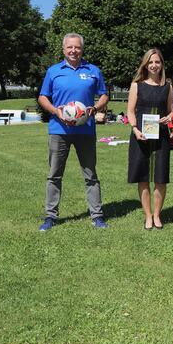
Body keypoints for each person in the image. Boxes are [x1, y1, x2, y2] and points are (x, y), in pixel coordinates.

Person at [37, 33, 109, 231]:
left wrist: (95, 108)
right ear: (63, 50)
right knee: (54, 175)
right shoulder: (53, 71)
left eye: (77, 47)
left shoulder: (93, 71)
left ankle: (97, 215)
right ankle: (50, 216)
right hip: (58, 130)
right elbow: (43, 97)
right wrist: (56, 111)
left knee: (90, 174)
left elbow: (104, 95)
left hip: (86, 130)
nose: (73, 50)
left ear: (82, 49)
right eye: (69, 47)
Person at [127, 48, 173, 230]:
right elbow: (130, 111)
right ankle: (148, 215)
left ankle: (157, 215)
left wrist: (169, 117)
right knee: (143, 177)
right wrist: (135, 129)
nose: (154, 65)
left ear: (162, 64)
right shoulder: (136, 85)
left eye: (157, 62)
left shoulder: (167, 86)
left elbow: (171, 111)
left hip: (161, 137)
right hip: (141, 136)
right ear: (145, 64)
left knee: (160, 178)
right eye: (151, 62)